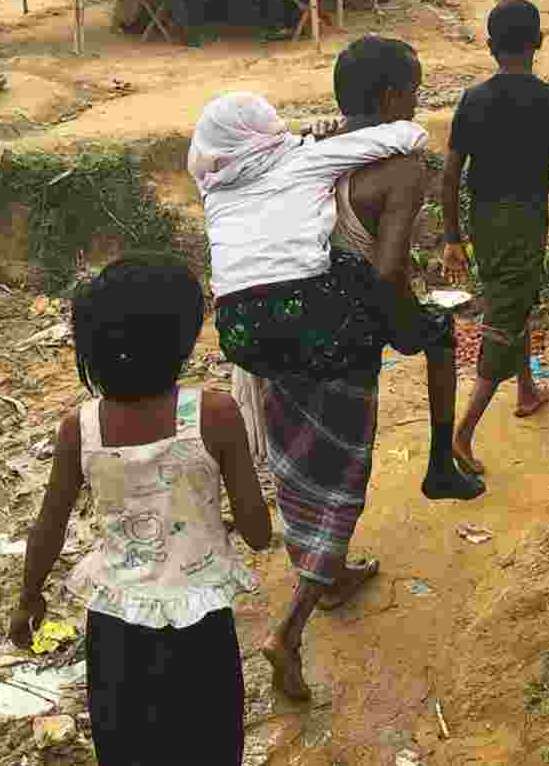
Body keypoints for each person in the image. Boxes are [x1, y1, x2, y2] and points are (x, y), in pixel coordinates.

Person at [190, 67, 476, 701]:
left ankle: (335, 572)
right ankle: (289, 630)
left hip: (244, 336)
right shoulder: (325, 163)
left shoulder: (221, 186)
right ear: (391, 95)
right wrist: (400, 322)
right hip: (321, 325)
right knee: (343, 469)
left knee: (299, 457)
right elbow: (406, 158)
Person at [9, 256, 272, 766]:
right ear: (180, 341)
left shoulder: (79, 428)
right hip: (199, 627)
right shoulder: (213, 414)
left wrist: (28, 599)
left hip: (116, 627)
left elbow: (49, 526)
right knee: (212, 749)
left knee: (127, 751)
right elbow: (259, 532)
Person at [442, 0, 549, 475]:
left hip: (485, 219)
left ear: (490, 47)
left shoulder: (473, 99)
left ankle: (527, 391)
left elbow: (450, 176)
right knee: (505, 318)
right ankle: (463, 434)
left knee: (516, 301)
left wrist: (453, 236)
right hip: (525, 219)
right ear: (540, 42)